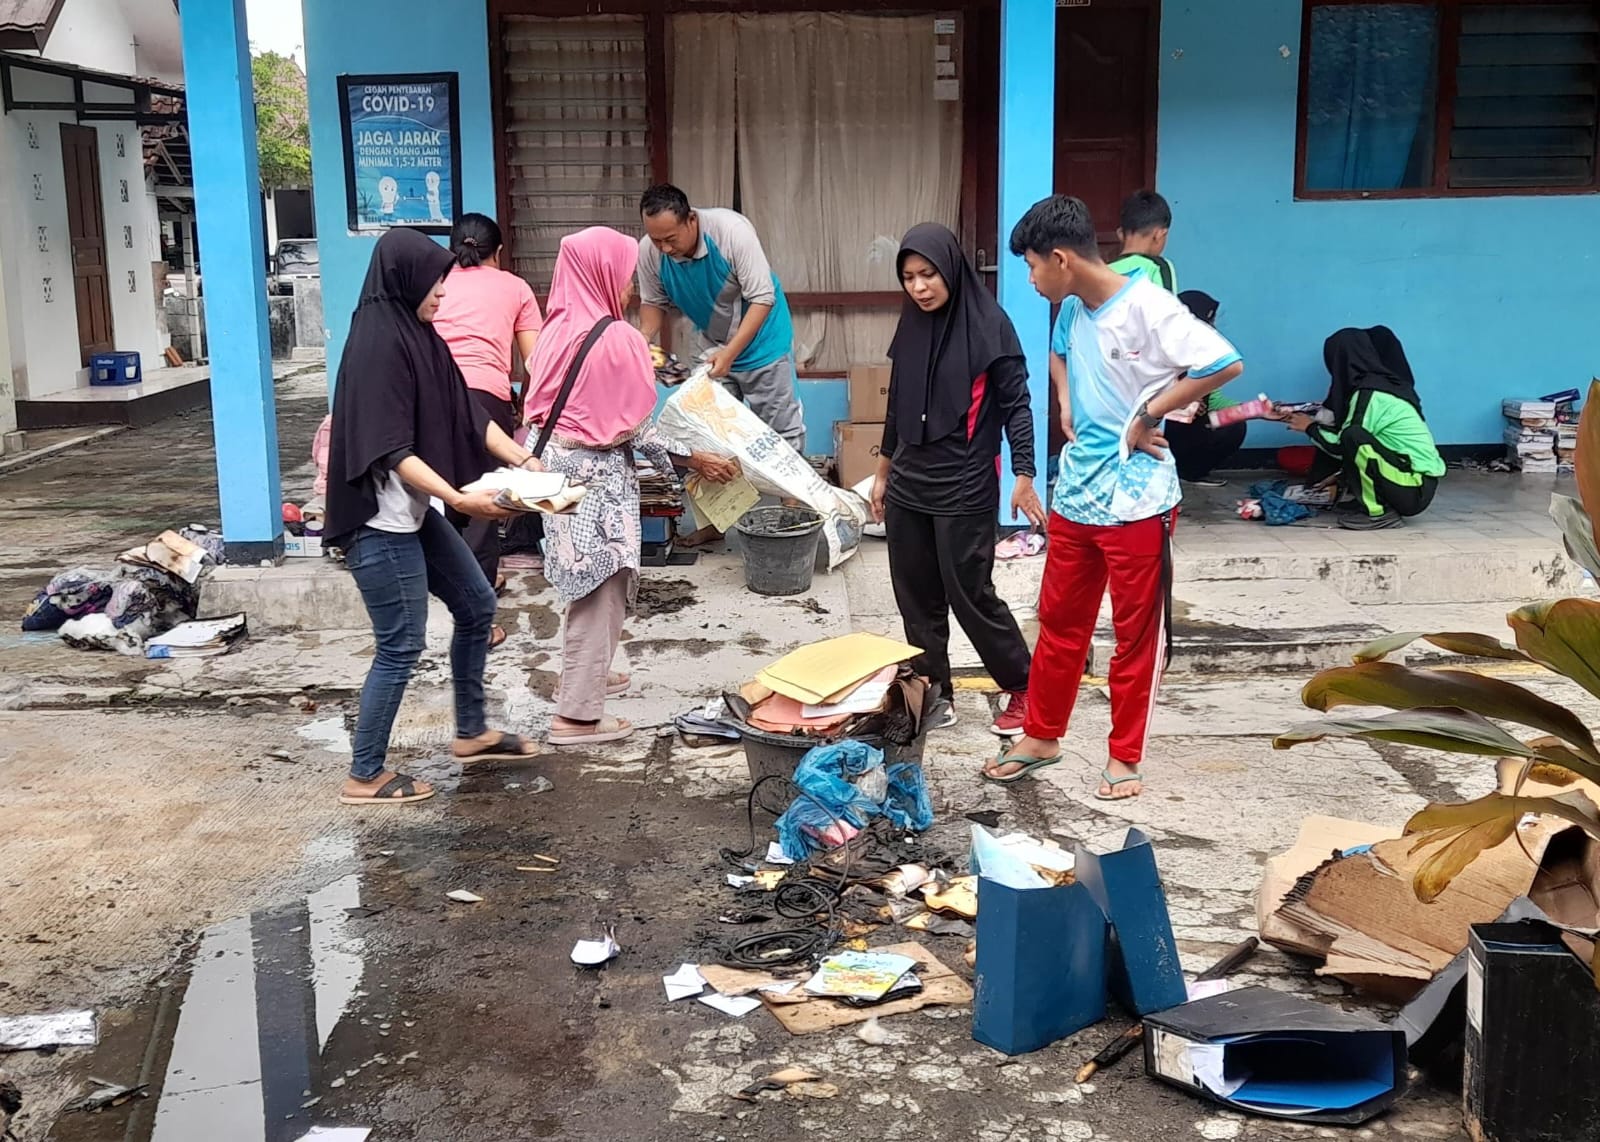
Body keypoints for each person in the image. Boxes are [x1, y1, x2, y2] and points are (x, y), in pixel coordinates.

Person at [991, 195, 1244, 797]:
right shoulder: (1073, 307)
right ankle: (1042, 735)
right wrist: (1064, 398)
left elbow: (1225, 364)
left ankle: (1125, 755)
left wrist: (1151, 412)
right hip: (1076, 494)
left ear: (1061, 259)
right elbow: (1058, 353)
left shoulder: (1150, 308)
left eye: (1031, 267)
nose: (1028, 279)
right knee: (1058, 623)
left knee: (1134, 634)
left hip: (1139, 501)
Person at [325, 228, 544, 808]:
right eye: (436, 284)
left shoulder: (421, 337)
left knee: (476, 604)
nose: (443, 295)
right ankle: (365, 773)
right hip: (376, 522)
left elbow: (469, 417)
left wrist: (525, 459)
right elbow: (391, 449)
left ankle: (471, 732)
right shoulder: (376, 345)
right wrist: (461, 498)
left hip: (413, 516)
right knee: (400, 643)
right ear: (405, 280)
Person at [870, 224, 1045, 737]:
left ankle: (1025, 687)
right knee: (915, 593)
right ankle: (933, 690)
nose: (920, 287)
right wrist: (883, 471)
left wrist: (1025, 473)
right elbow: (896, 402)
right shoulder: (911, 326)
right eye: (909, 277)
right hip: (909, 480)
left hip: (964, 482)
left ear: (950, 269)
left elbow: (1017, 406)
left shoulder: (990, 326)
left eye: (928, 274)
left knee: (970, 592)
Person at [523, 227, 680, 747]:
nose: (631, 287)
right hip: (597, 483)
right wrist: (686, 463)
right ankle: (577, 717)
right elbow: (635, 424)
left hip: (552, 475)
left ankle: (587, 675)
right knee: (602, 591)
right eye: (626, 275)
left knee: (580, 579)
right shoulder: (617, 338)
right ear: (602, 274)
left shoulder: (555, 329)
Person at [635, 183, 803, 512]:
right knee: (707, 435)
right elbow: (653, 303)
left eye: (671, 238)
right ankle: (714, 523)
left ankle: (792, 511)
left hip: (764, 341)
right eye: (657, 240)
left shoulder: (731, 232)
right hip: (713, 342)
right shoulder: (649, 251)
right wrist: (641, 340)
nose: (665, 248)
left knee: (781, 429)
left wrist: (731, 354)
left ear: (691, 220)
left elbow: (762, 297)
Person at [432, 213, 544, 625]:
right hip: (484, 396)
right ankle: (478, 608)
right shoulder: (514, 287)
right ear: (498, 252)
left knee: (447, 492)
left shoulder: (435, 282)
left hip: (431, 395)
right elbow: (536, 360)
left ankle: (462, 583)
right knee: (485, 500)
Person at [1277, 327, 1443, 531]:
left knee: (1352, 436)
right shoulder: (1381, 387)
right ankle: (1370, 501)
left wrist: (1310, 428)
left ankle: (1379, 513)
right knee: (1355, 437)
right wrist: (1342, 476)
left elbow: (1344, 444)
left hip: (1413, 486)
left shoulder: (1370, 393)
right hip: (1412, 481)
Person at [1162, 290, 1247, 488]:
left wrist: (1258, 409)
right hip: (1159, 426)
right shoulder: (1163, 348)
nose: (1213, 327)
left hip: (1191, 429)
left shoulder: (1203, 353)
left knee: (1233, 424)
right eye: (1210, 320)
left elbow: (1215, 401)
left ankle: (1190, 472)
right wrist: (1180, 401)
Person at [1108, 190, 1176, 293]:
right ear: (1159, 235)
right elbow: (1168, 308)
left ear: (1121, 234)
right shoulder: (1159, 267)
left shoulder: (1104, 271)